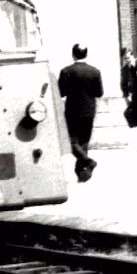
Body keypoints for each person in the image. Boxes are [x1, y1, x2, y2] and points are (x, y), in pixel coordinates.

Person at [57, 44, 103, 182]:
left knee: (71, 141)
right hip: (89, 110)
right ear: (86, 54)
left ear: (73, 55)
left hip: (72, 110)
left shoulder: (66, 71)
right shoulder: (95, 72)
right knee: (84, 142)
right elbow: (99, 93)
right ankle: (82, 174)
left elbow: (61, 92)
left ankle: (87, 162)